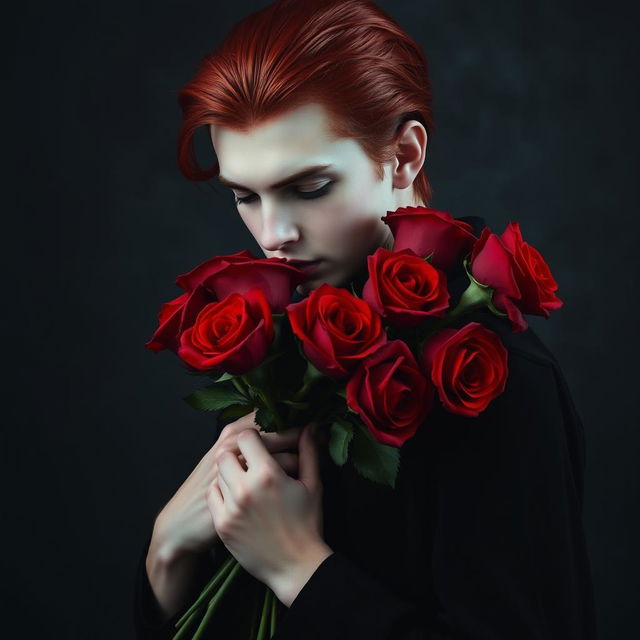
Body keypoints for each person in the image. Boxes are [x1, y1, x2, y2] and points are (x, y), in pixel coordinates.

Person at [133, 1, 599, 638]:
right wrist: (167, 554)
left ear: (404, 155)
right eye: (245, 195)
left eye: (310, 187)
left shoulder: (496, 379)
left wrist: (299, 569)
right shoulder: (284, 342)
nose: (274, 235)